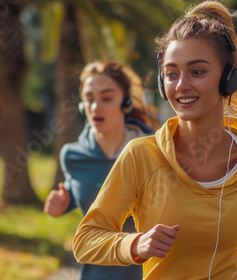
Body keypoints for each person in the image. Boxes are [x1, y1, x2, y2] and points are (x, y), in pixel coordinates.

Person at [72, 1, 237, 279]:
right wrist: (134, 243)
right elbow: (86, 239)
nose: (181, 85)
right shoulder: (141, 156)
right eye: (171, 74)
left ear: (228, 78)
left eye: (197, 71)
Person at [44, 60, 158, 280]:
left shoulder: (153, 150)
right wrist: (63, 202)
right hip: (97, 272)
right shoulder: (73, 156)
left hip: (147, 271)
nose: (96, 107)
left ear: (125, 101)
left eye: (106, 98)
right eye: (89, 99)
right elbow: (82, 193)